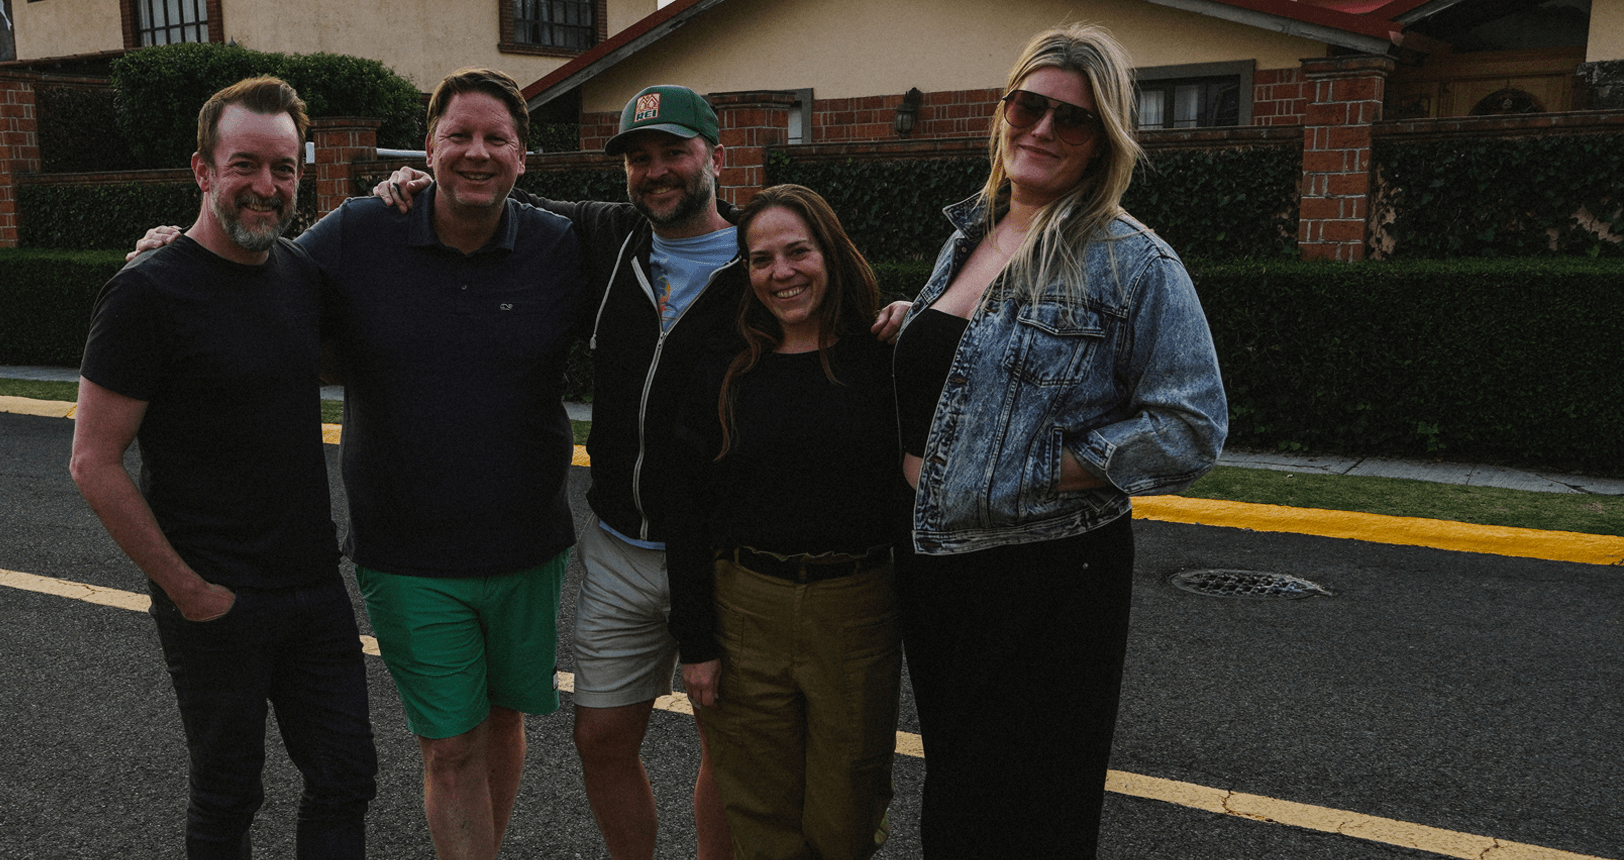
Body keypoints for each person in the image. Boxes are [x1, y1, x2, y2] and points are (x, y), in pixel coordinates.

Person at [373, 85, 906, 860]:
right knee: (600, 738)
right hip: (620, 544)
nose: (657, 171)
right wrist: (420, 180)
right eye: (639, 157)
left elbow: (839, 315)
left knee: (730, 746)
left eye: (674, 153)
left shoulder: (761, 260)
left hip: (722, 556)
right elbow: (496, 192)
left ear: (715, 156)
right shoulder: (605, 236)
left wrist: (908, 314)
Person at [132, 68, 586, 860]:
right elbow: (253, 268)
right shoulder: (362, 231)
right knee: (451, 743)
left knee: (504, 719)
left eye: (496, 139)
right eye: (458, 136)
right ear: (428, 148)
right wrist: (174, 253)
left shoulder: (559, 245)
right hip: (409, 554)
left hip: (529, 546)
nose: (476, 152)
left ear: (523, 156)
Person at [890, 25, 1228, 858]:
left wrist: (1029, 468)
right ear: (1004, 111)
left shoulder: (1132, 262)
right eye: (1028, 106)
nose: (1041, 129)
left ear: (1102, 139)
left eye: (1070, 118)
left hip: (1047, 579)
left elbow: (1189, 427)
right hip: (937, 569)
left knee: (1026, 819)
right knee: (957, 804)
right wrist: (913, 326)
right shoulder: (969, 235)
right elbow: (980, 364)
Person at [69, 76, 377, 859]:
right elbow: (94, 462)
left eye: (284, 168)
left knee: (346, 778)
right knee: (228, 794)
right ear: (203, 170)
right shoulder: (145, 293)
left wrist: (405, 187)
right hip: (215, 599)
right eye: (245, 165)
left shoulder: (300, 276)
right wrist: (189, 592)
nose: (266, 186)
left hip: (313, 588)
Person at [662, 184, 906, 860]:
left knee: (845, 820)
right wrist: (696, 642)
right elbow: (686, 510)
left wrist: (922, 318)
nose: (782, 273)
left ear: (830, 252)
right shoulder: (723, 370)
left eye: (797, 252)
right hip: (746, 612)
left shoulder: (883, 360)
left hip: (856, 613)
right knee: (760, 821)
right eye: (761, 259)